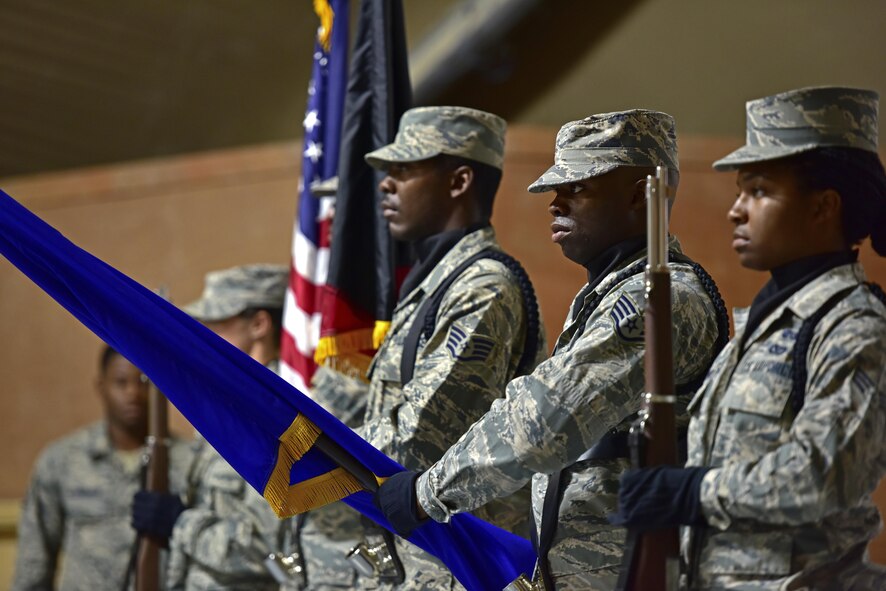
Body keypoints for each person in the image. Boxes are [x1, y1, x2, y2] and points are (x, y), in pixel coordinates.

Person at [375, 109, 729, 590]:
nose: (555, 203)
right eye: (555, 190)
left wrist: (426, 494)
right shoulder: (610, 294)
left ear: (640, 194)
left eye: (577, 188)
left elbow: (543, 420)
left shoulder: (662, 299)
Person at [613, 87, 886, 590]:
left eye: (758, 191)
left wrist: (693, 491)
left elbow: (820, 474)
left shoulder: (855, 327)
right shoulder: (767, 323)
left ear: (824, 206)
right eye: (740, 191)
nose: (735, 211)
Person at [310, 105, 547, 591]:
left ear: (459, 181)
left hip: (457, 568)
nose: (385, 184)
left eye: (405, 171)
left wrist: (303, 445)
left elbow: (420, 438)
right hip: (416, 565)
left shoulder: (482, 287)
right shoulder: (432, 285)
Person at [131, 264, 294, 590]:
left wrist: (179, 522)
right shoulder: (231, 408)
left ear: (259, 325)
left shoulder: (275, 416)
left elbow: (263, 547)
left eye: (216, 328)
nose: (204, 343)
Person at [12, 344, 193, 591]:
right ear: (101, 387)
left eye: (144, 381)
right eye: (120, 382)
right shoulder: (62, 461)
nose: (133, 393)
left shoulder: (188, 462)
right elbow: (34, 564)